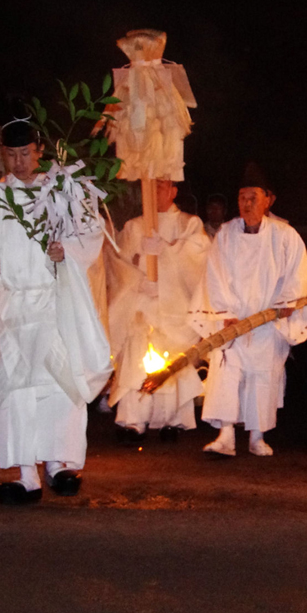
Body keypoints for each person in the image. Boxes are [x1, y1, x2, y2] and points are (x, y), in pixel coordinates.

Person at [0, 119, 111, 504]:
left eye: (24, 153)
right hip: (15, 305)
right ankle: (26, 474)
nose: (19, 161)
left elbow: (90, 230)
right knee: (16, 389)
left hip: (53, 301)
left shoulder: (63, 189)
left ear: (39, 151)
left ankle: (59, 465)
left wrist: (69, 251)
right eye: (11, 154)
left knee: (60, 381)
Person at [191, 164, 307, 456]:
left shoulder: (285, 235)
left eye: (253, 197)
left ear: (268, 200)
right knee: (226, 373)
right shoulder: (225, 234)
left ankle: (257, 436)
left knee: (263, 375)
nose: (247, 204)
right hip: (233, 320)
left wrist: (286, 304)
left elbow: (297, 273)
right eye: (242, 198)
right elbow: (215, 274)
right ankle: (225, 435)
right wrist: (223, 312)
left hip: (267, 320)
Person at [106, 179, 210, 437]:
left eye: (160, 187)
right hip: (142, 304)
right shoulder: (134, 226)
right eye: (149, 188)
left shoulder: (189, 224)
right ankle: (133, 420)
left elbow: (198, 258)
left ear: (173, 191)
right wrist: (137, 275)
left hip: (174, 306)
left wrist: (169, 251)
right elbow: (119, 265)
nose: (154, 193)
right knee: (135, 359)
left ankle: (170, 420)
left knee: (172, 361)